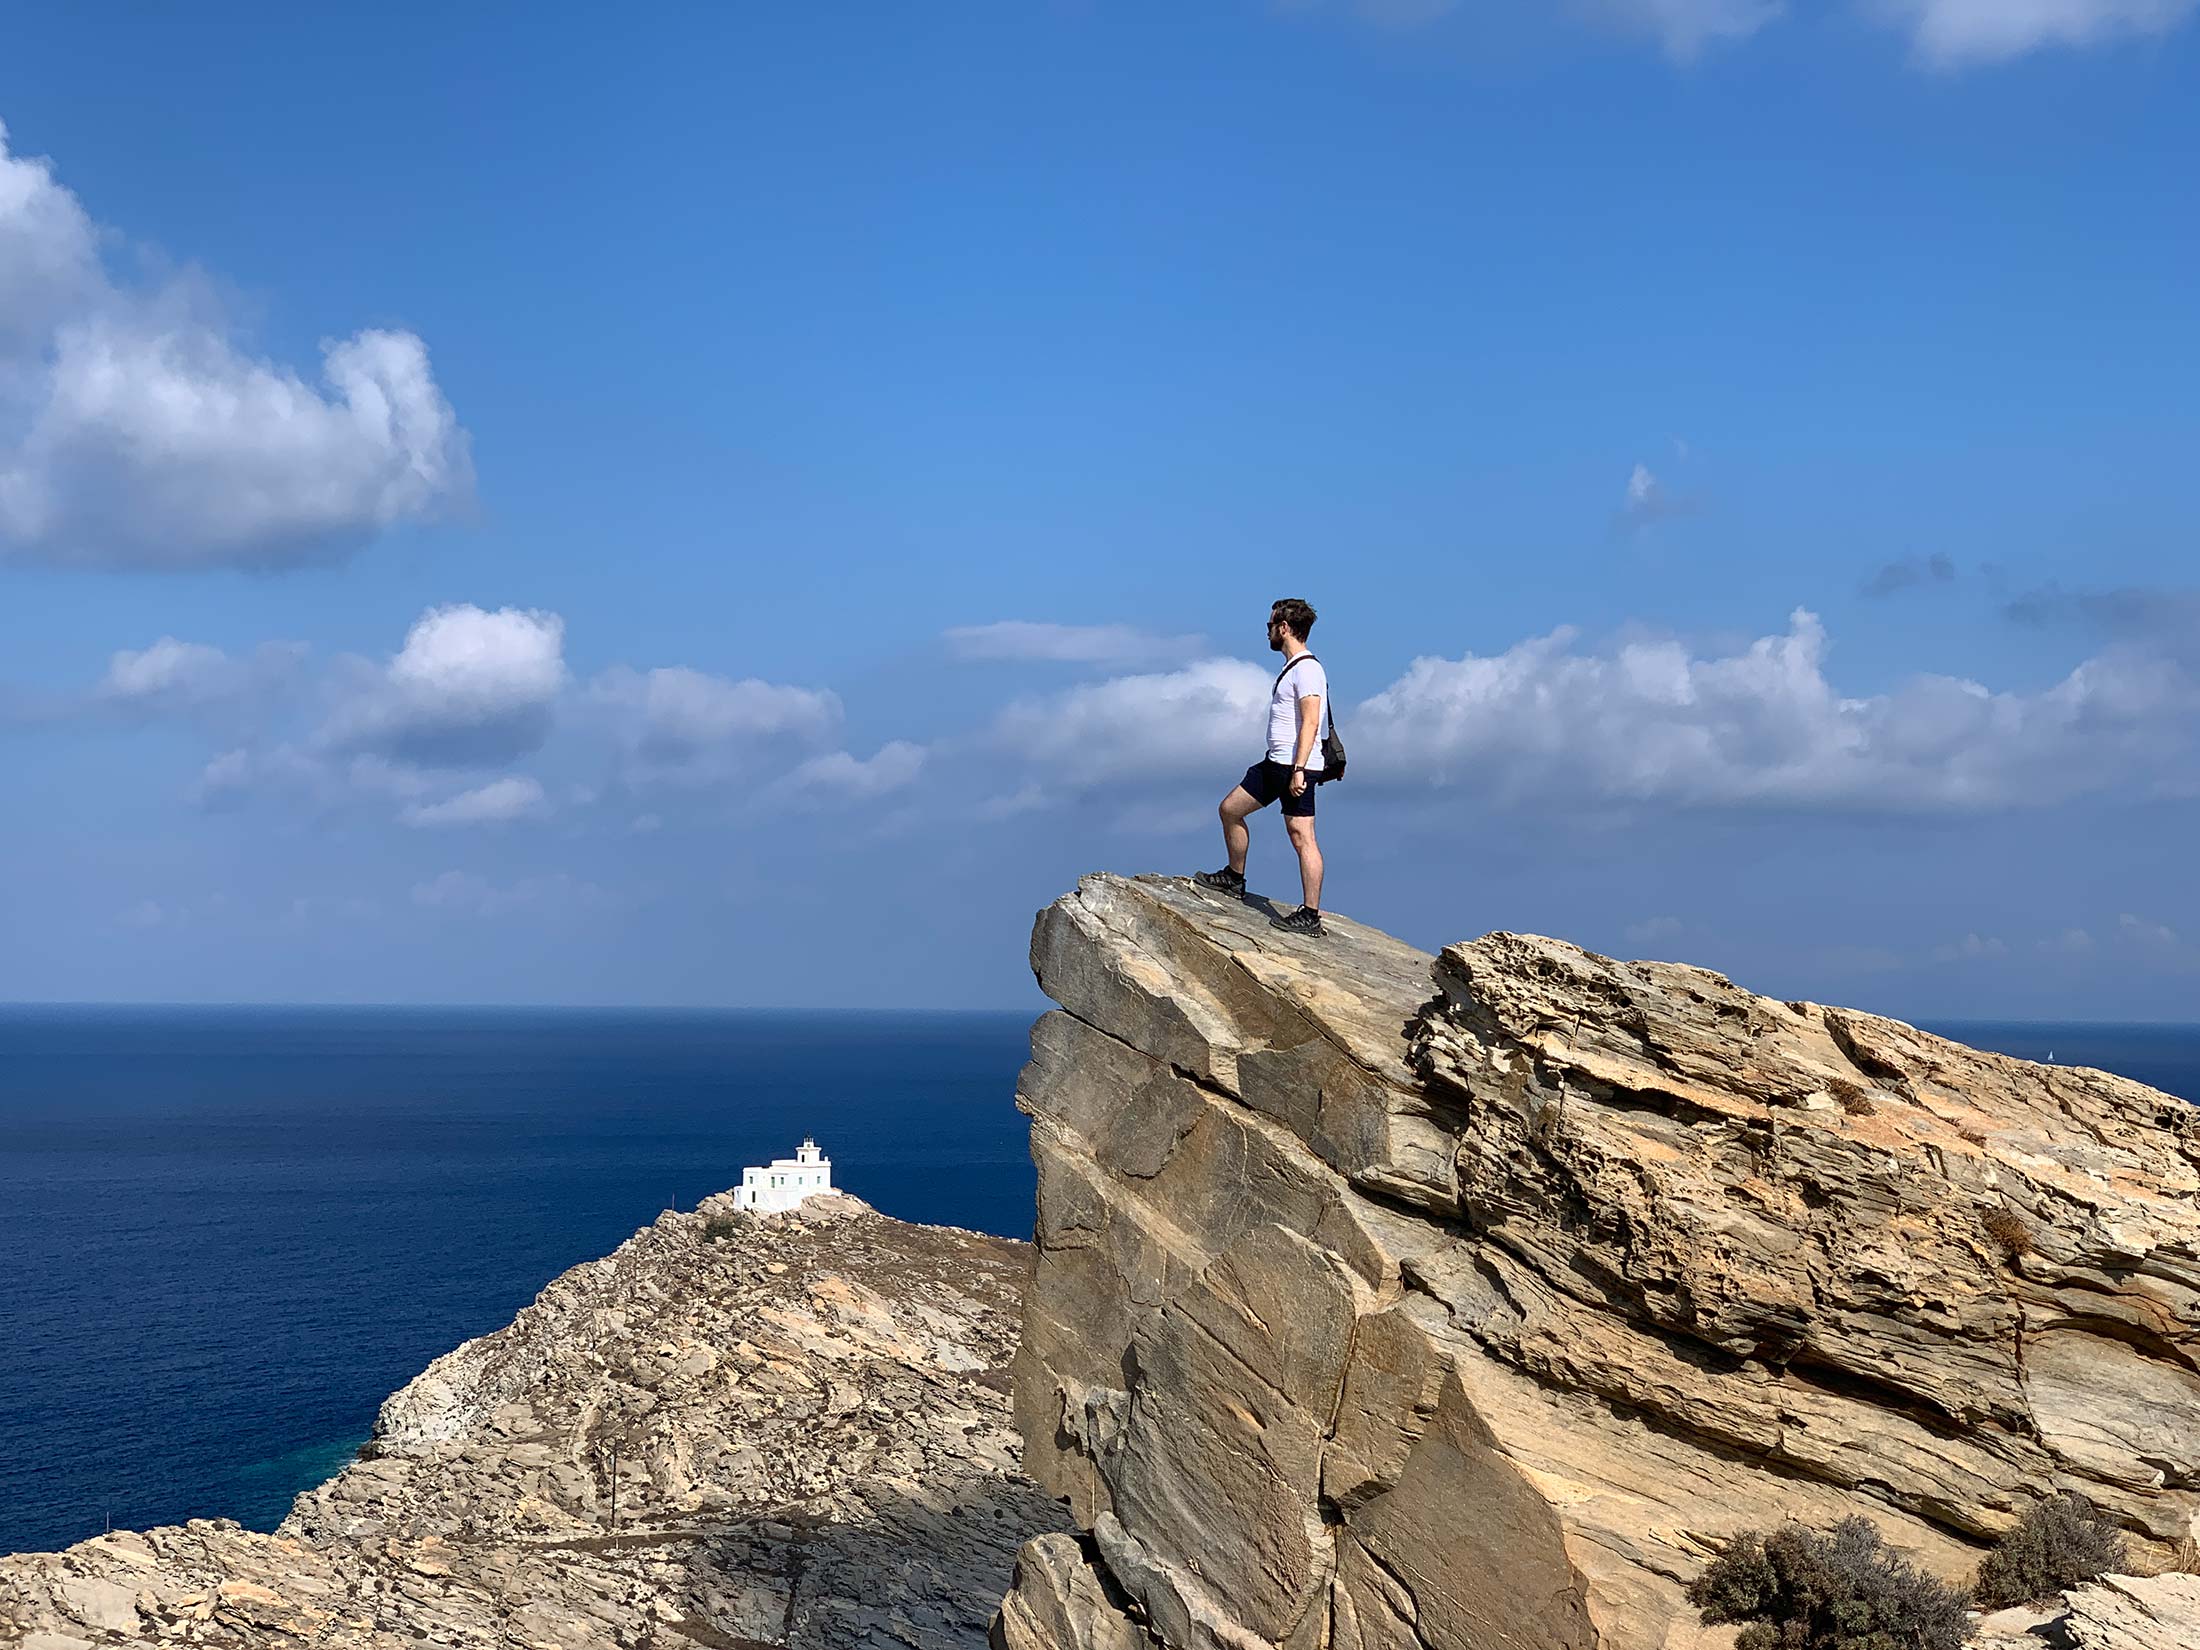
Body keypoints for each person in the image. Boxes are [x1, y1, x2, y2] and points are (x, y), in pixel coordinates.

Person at [1194, 597, 1332, 935]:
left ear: (1284, 628)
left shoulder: (1308, 669)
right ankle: (1234, 878)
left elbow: (1311, 721)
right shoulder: (1294, 668)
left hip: (1293, 767)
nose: (1267, 631)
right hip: (1276, 763)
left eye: (1270, 625)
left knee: (1302, 836)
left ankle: (1310, 915)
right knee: (1230, 809)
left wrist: (1299, 770)